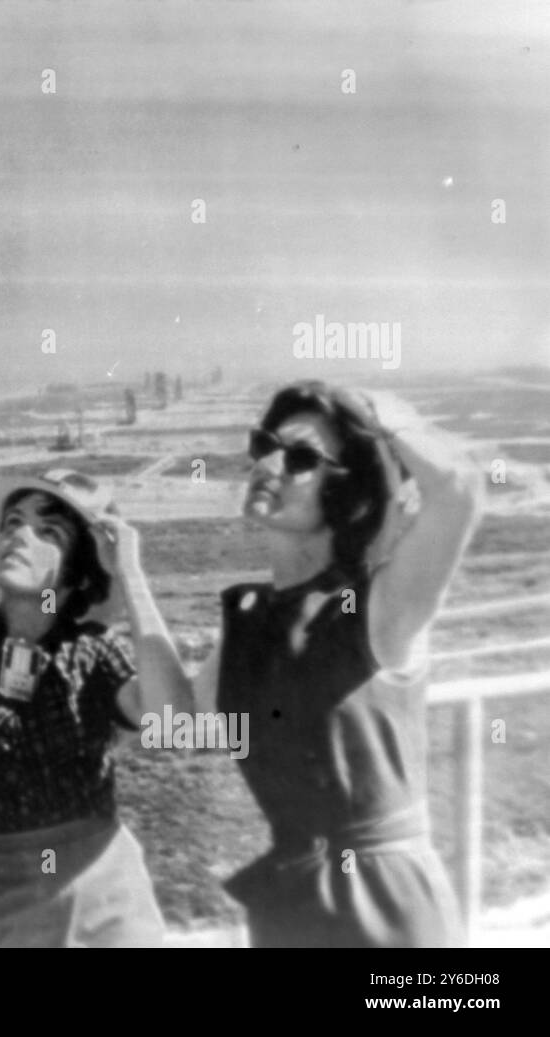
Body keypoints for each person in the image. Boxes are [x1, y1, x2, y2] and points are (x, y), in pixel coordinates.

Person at [122, 380, 483, 947]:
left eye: (301, 458)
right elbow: (178, 725)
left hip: (388, 907)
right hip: (292, 903)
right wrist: (130, 575)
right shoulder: (251, 618)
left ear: (347, 492)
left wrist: (383, 416)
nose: (268, 464)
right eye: (264, 445)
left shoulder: (379, 608)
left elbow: (459, 490)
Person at [0, 469, 190, 947]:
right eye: (12, 522)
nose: (18, 535)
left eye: (47, 531)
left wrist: (130, 574)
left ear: (78, 570)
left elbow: (175, 724)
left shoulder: (91, 652)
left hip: (96, 892)